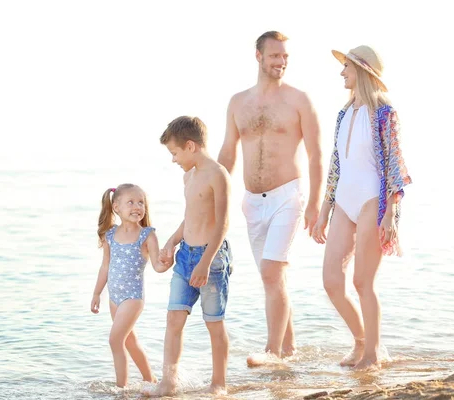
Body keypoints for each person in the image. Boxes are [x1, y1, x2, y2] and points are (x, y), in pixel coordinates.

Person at [217, 31, 323, 364]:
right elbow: (228, 154)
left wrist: (316, 204)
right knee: (272, 276)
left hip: (287, 196)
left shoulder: (299, 99)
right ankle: (289, 348)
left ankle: (272, 352)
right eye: (275, 55)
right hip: (252, 201)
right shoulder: (237, 102)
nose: (281, 62)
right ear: (259, 56)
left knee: (271, 273)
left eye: (285, 57)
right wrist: (211, 196)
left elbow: (317, 154)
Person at [311, 45, 412, 370]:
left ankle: (372, 354)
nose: (342, 72)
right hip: (343, 201)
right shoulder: (344, 113)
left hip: (373, 201)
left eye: (347, 67)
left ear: (363, 72)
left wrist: (390, 213)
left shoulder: (384, 112)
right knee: (331, 281)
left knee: (362, 283)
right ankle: (360, 341)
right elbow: (336, 164)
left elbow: (395, 165)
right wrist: (325, 208)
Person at [145, 116, 232, 396]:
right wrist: (171, 242)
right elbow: (190, 217)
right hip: (185, 257)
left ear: (190, 146)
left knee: (213, 323)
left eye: (174, 153)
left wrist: (206, 262)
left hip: (212, 259)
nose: (173, 160)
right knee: (173, 320)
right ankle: (169, 383)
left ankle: (219, 383)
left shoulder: (217, 174)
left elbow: (222, 223)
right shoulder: (189, 175)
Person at [90, 183, 170, 388]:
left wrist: (167, 262)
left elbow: (157, 267)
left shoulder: (147, 235)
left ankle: (121, 389)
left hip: (133, 298)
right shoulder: (110, 235)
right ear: (116, 207)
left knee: (115, 341)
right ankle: (149, 379)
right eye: (131, 202)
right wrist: (97, 293)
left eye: (141, 202)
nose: (137, 206)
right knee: (128, 341)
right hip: (114, 298)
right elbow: (105, 266)